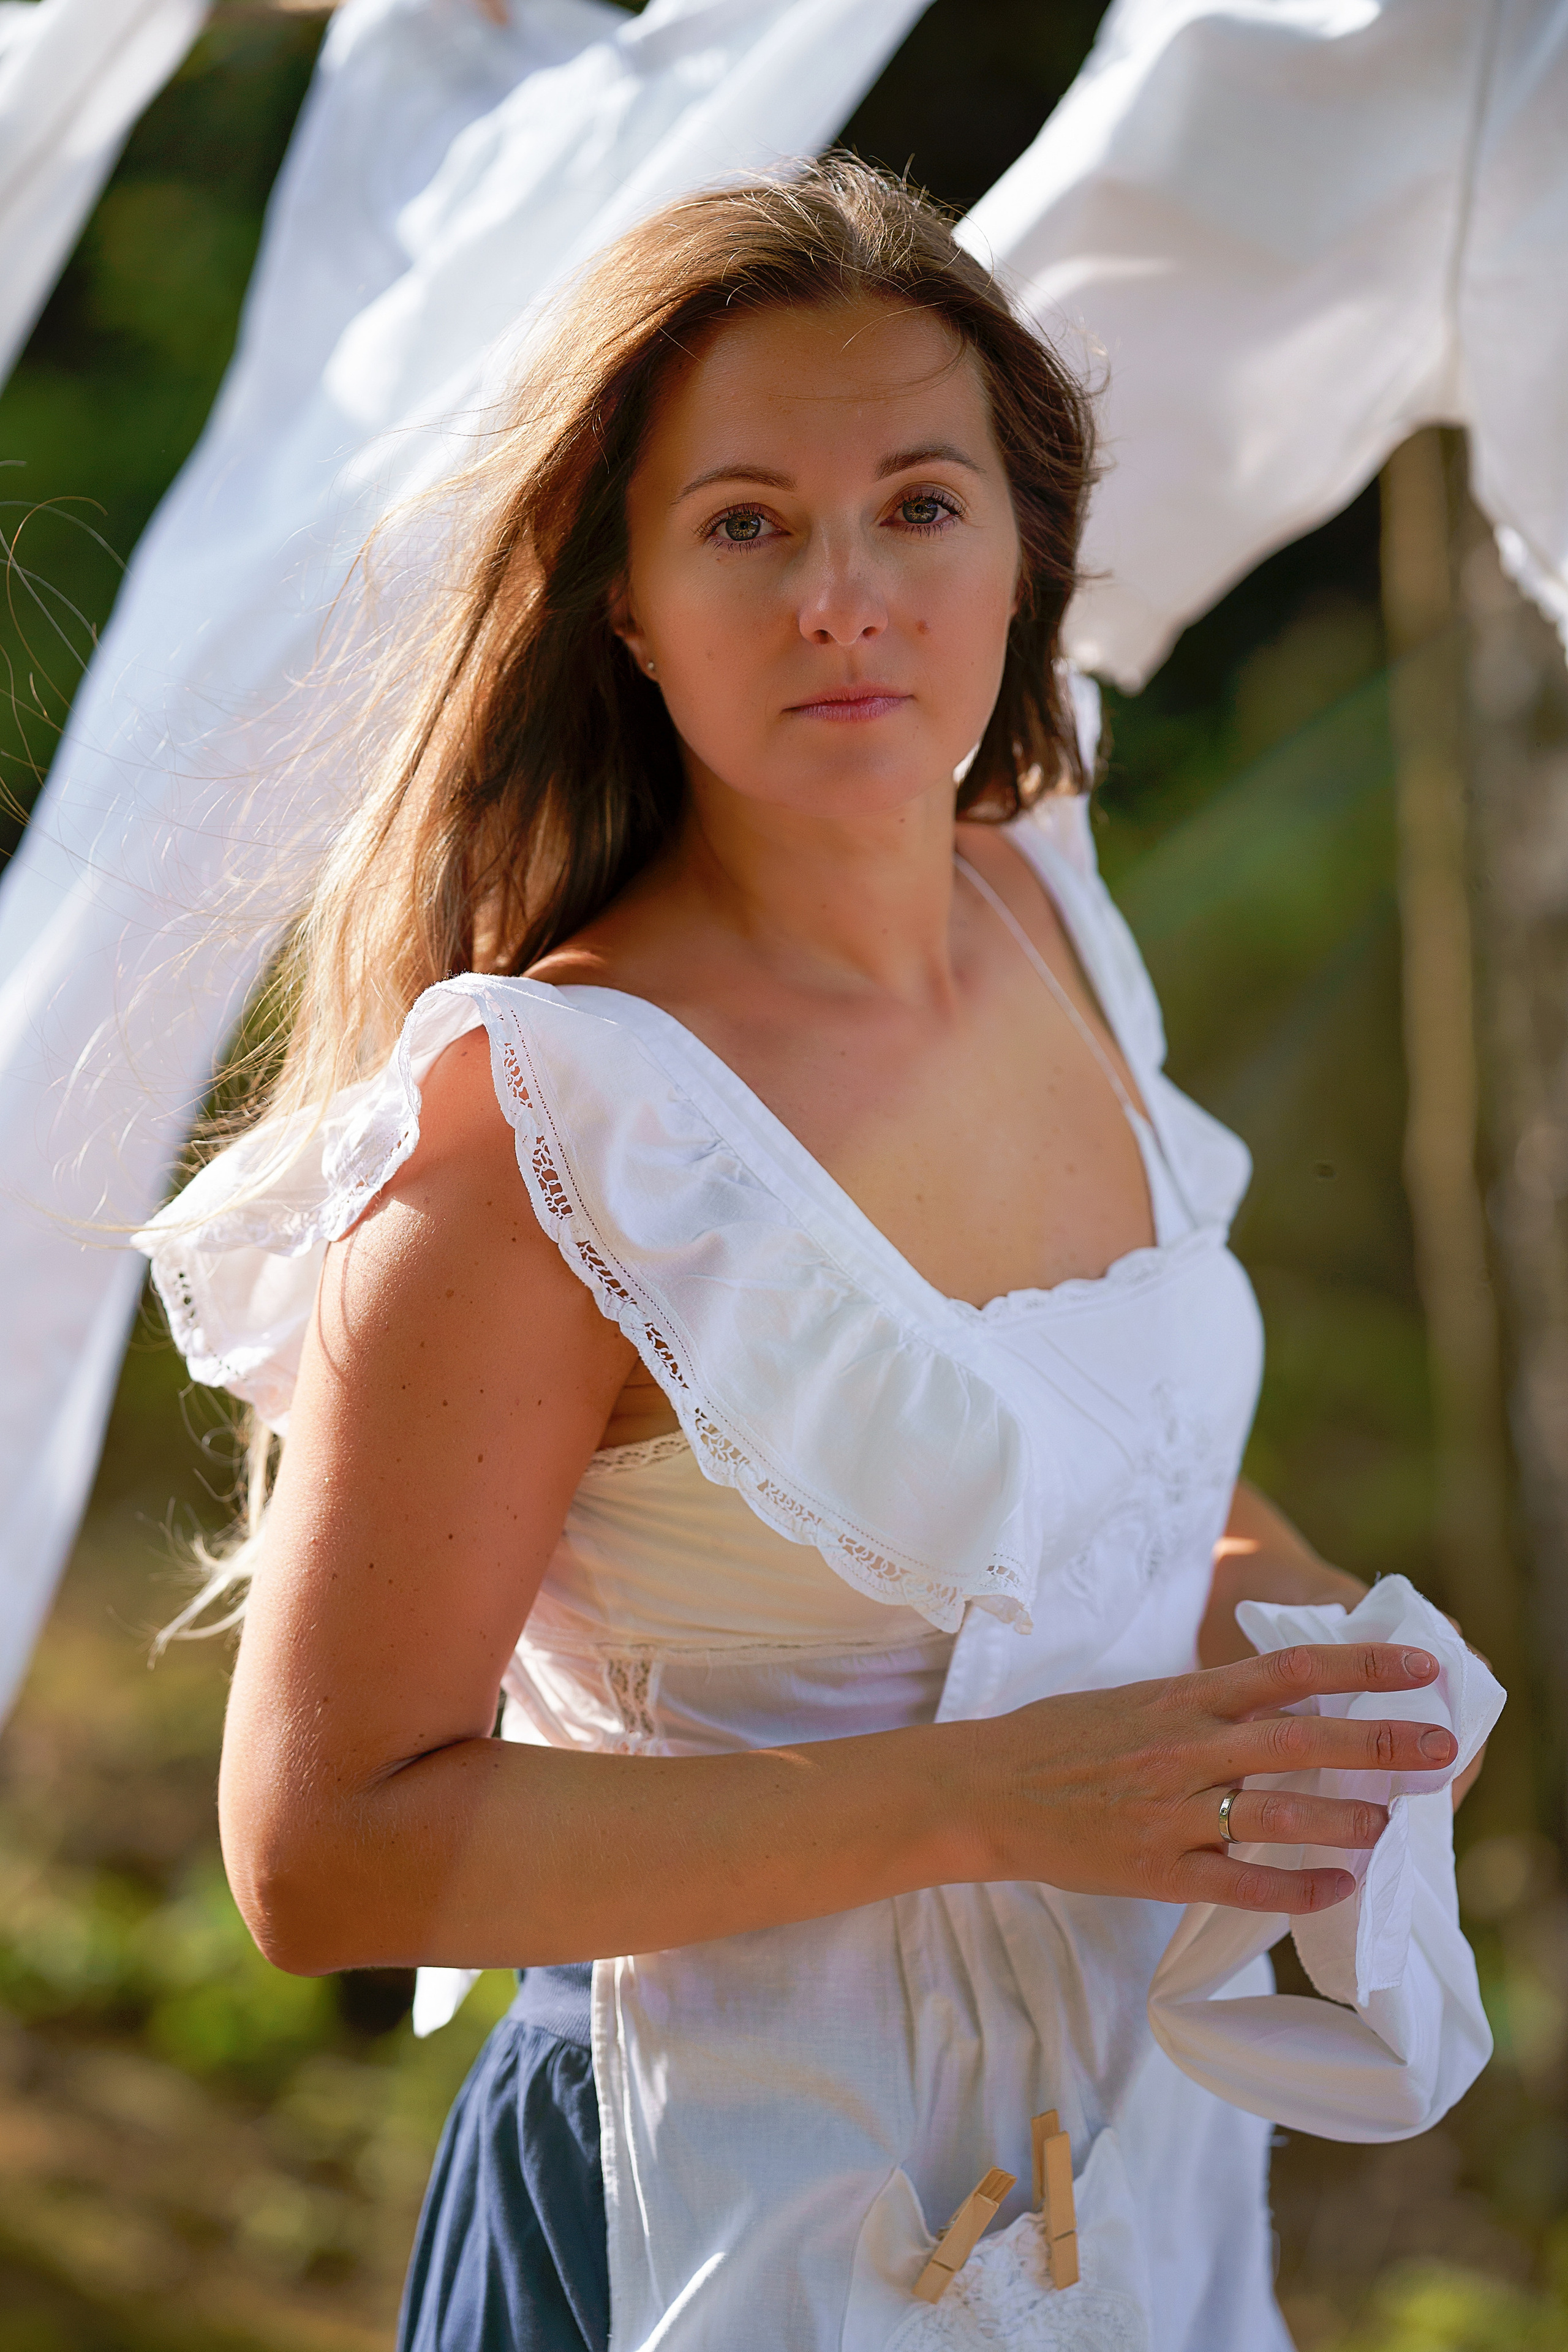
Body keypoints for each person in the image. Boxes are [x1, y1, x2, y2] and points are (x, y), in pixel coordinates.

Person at [140, 160, 1477, 2352]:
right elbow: (321, 1858)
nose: (845, 594)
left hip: (1122, 2193)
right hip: (721, 2211)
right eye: (747, 522)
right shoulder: (544, 1144)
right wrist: (979, 1802)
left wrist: (1291, 1630)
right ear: (629, 604)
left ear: (1026, 544)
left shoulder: (1048, 904)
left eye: (921, 505)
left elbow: (1104, 1472)